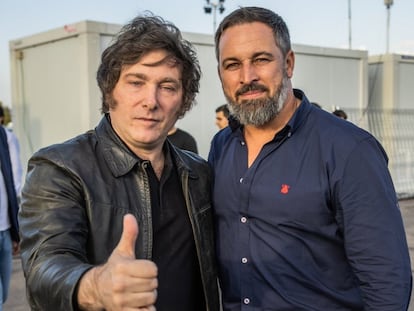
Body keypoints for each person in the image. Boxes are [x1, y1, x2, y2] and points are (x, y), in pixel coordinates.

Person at [208, 6, 411, 310]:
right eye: (232, 64)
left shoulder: (348, 150)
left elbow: (386, 281)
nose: (247, 76)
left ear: (288, 63)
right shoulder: (221, 146)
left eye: (261, 59)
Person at [18, 14, 220, 311]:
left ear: (183, 102)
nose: (151, 101)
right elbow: (44, 269)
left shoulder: (198, 172)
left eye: (167, 86)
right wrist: (97, 286)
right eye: (136, 82)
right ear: (110, 90)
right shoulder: (59, 168)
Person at [0, 105, 22, 310]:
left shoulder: (5, 138)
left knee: (4, 292)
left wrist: (16, 232)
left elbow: (15, 183)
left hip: (5, 229)